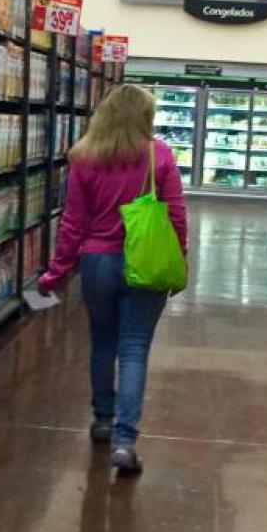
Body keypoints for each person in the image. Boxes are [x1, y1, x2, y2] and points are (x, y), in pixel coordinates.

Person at [38, 84, 188, 475]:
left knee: (102, 342)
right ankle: (125, 441)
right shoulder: (160, 156)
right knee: (135, 349)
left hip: (97, 262)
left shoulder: (85, 157)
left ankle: (102, 419)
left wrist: (57, 271)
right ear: (146, 117)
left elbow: (72, 223)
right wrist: (178, 262)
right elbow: (175, 216)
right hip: (145, 262)